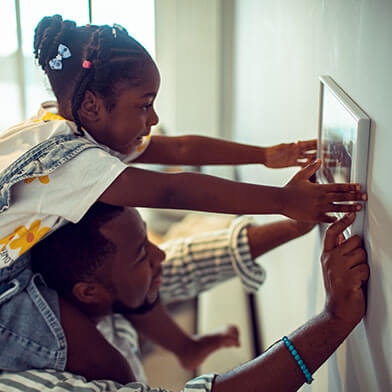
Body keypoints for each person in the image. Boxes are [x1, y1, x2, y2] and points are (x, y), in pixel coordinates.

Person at [0, 14, 366, 377]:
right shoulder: (72, 162)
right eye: (144, 105)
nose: (154, 118)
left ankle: (186, 348)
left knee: (129, 271)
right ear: (93, 105)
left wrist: (265, 155)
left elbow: (180, 151)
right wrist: (283, 201)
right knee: (109, 364)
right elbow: (173, 188)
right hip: (5, 291)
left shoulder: (75, 123)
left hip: (18, 254)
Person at [25, 204, 368, 391]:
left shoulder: (89, 293)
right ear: (88, 292)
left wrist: (295, 225)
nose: (160, 255)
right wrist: (334, 319)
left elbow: (185, 263)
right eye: (142, 254)